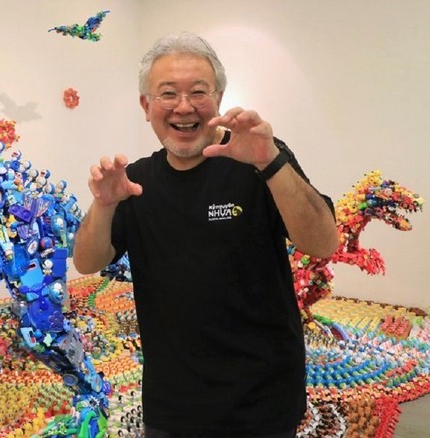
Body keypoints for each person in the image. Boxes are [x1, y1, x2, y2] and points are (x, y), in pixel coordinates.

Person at [73, 32, 339, 438]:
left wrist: (270, 162)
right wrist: (104, 204)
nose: (184, 107)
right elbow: (86, 262)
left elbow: (323, 243)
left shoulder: (259, 158)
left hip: (263, 400)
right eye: (168, 94)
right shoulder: (136, 183)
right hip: (172, 405)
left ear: (219, 98)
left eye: (198, 92)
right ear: (146, 106)